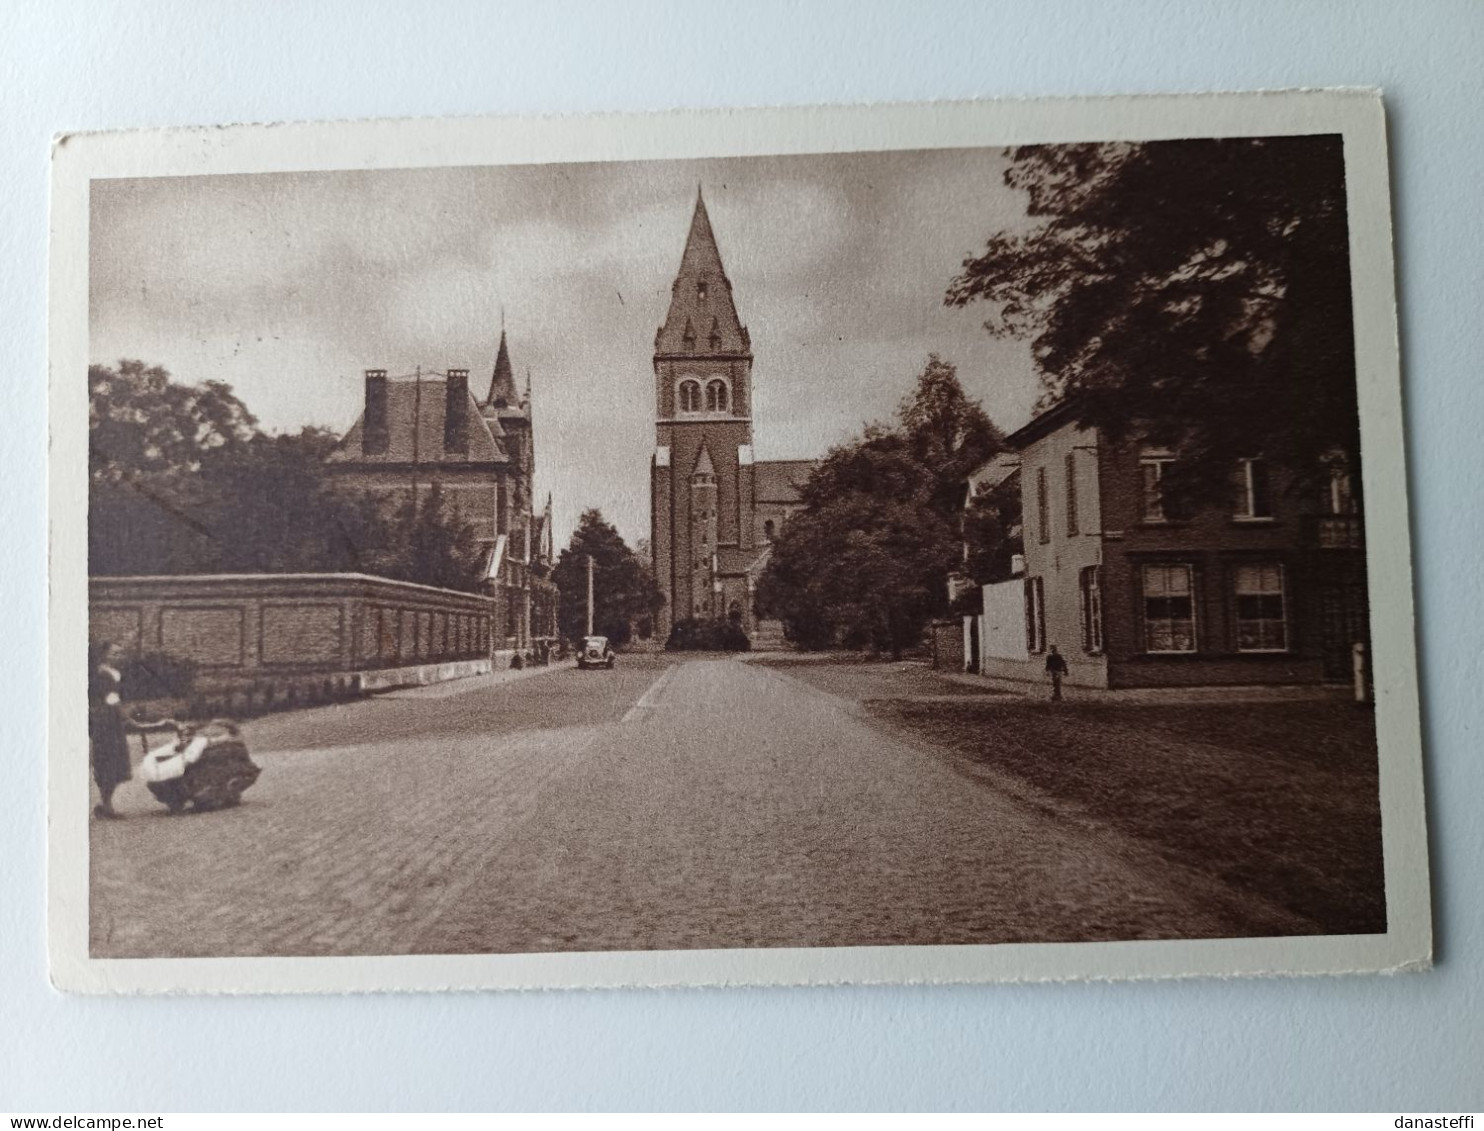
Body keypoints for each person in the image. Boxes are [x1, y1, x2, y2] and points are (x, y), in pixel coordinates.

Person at [88, 641, 132, 819]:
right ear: (105, 654)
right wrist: (126, 717)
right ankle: (106, 805)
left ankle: (107, 804)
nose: (118, 656)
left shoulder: (115, 674)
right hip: (105, 722)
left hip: (113, 722)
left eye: (120, 653)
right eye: (114, 653)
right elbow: (111, 699)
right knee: (107, 760)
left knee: (115, 761)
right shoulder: (103, 675)